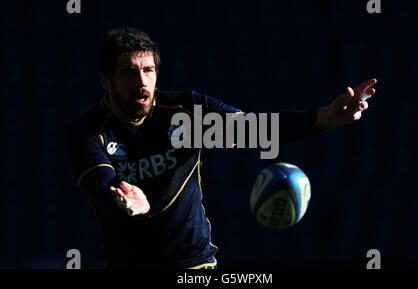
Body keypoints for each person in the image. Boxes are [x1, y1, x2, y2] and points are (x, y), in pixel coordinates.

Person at [64, 27, 377, 269]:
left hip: (194, 265)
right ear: (106, 81)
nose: (142, 81)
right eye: (129, 72)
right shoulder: (88, 131)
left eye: (148, 70)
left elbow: (256, 129)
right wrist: (125, 201)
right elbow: (101, 184)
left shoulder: (187, 112)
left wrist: (326, 117)